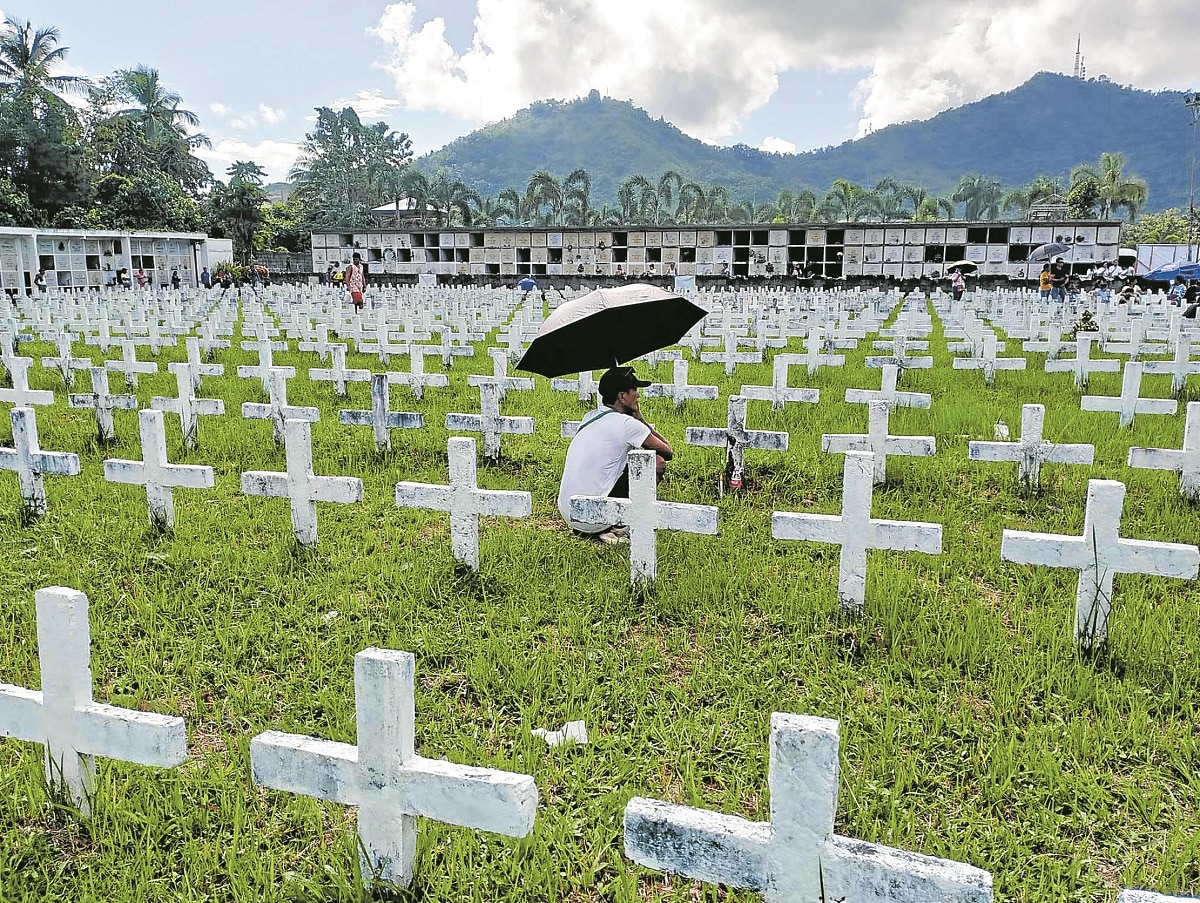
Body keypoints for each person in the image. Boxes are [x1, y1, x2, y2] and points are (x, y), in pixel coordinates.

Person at [558, 366, 674, 543]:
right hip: (594, 517)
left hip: (569, 512)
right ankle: (620, 525)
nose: (638, 395)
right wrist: (640, 419)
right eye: (634, 390)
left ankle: (596, 529)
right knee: (656, 462)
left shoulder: (589, 416)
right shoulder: (628, 424)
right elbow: (667, 451)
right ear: (622, 396)